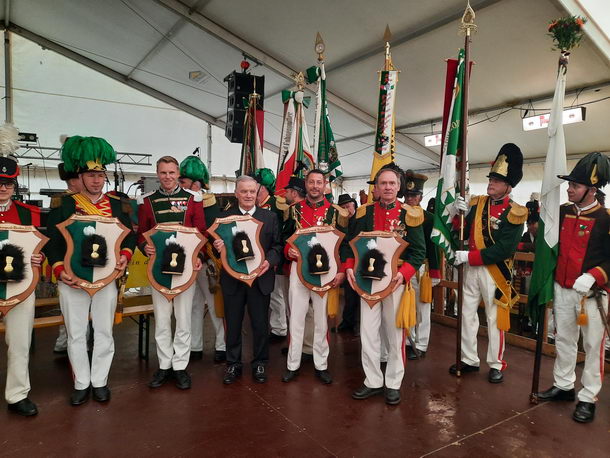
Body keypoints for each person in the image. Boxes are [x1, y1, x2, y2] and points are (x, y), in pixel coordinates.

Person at [45, 136, 135, 406]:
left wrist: (125, 256)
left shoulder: (118, 205)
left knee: (104, 332)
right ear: (80, 176)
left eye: (100, 174)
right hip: (72, 278)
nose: (96, 180)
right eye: (91, 175)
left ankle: (100, 381)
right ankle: (81, 383)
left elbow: (129, 237)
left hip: (106, 278)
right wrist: (59, 269)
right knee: (76, 333)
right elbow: (51, 242)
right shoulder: (64, 205)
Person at [536, 152, 610, 424]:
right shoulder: (563, 211)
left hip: (592, 295)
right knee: (564, 340)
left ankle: (588, 397)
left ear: (592, 190)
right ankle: (564, 385)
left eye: (575, 185)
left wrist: (594, 275)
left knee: (592, 346)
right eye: (570, 184)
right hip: (563, 289)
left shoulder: (606, 218)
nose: (568, 189)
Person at [344, 163, 425, 405]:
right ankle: (372, 380)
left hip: (396, 281)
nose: (388, 187)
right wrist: (348, 267)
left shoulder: (410, 215)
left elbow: (418, 252)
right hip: (366, 281)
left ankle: (393, 383)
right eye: (383, 183)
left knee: (395, 334)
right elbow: (350, 245)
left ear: (399, 187)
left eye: (392, 183)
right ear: (377, 188)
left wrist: (405, 274)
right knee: (368, 333)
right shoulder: (363, 214)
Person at [451, 143, 527, 383]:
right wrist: (457, 215)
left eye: (497, 180)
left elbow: (504, 249)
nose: (491, 183)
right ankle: (469, 359)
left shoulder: (516, 212)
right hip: (472, 269)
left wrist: (469, 257)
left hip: (495, 272)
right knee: (466, 314)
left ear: (508, 185)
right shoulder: (477, 203)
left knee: (495, 319)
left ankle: (496, 363)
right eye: (491, 179)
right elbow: (462, 232)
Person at [137, 156, 206, 390]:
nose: (167, 177)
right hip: (158, 268)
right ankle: (164, 365)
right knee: (162, 320)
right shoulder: (146, 201)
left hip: (186, 268)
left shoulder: (193, 198)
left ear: (178, 174)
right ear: (158, 174)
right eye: (163, 172)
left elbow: (201, 233)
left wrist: (199, 256)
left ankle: (180, 366)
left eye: (171, 172)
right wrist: (144, 247)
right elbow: (141, 234)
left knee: (184, 319)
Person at [214, 175, 282, 384]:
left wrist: (269, 261)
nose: (249, 195)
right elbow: (217, 252)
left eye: (252, 191)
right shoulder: (224, 218)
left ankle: (260, 362)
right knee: (233, 323)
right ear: (236, 194)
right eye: (244, 191)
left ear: (257, 192)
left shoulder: (270, 217)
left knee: (260, 324)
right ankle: (233, 364)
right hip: (232, 280)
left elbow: (277, 246)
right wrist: (218, 248)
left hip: (260, 279)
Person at [282, 169, 349, 384]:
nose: (315, 186)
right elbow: (284, 239)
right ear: (306, 184)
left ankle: (321, 365)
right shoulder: (293, 210)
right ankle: (292, 365)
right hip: (298, 269)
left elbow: (344, 245)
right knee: (296, 318)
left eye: (319, 182)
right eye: (311, 182)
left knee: (321, 320)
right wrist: (289, 252)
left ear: (325, 185)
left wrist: (341, 271)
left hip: (325, 272)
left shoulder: (336, 213)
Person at [0, 154, 43, 416]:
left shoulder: (29, 214)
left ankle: (17, 394)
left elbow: (37, 248)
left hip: (20, 285)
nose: (3, 187)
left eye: (8, 183)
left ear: (14, 185)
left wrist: (39, 257)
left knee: (19, 342)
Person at [178, 155, 226, 363]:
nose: (179, 184)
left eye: (183, 181)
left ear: (196, 184)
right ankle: (194, 346)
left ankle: (222, 345)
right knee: (193, 306)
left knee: (215, 306)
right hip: (186, 262)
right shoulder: (182, 201)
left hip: (207, 263)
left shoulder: (209, 204)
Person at [403, 171, 440, 359]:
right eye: (408, 195)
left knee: (423, 307)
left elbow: (433, 247)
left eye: (414, 195)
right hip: (402, 267)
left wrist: (435, 271)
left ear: (421, 197)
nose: (410, 199)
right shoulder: (400, 215)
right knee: (406, 305)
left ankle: (422, 343)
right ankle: (408, 341)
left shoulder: (429, 218)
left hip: (422, 269)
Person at [253, 168, 290, 342]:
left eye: (255, 184)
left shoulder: (278, 204)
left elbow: (283, 232)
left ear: (262, 187)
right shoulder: (253, 205)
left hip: (273, 256)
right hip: (255, 257)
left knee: (276, 294)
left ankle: (279, 328)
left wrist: (276, 258)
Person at [53, 162, 83, 355]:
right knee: (70, 309)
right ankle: (65, 340)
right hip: (69, 263)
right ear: (73, 181)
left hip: (88, 262)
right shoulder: (63, 203)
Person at [336, 193, 360, 336]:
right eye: (343, 207)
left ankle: (357, 324)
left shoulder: (361, 219)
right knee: (348, 294)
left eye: (348, 206)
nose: (347, 209)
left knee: (357, 294)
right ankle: (347, 321)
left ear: (354, 205)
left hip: (360, 262)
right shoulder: (340, 223)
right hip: (345, 261)